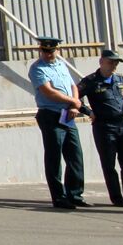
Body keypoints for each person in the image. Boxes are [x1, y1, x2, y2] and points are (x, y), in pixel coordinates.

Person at [77, 49, 123, 207]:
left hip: (122, 124)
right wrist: (88, 112)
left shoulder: (119, 79)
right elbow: (74, 97)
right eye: (110, 62)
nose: (113, 65)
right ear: (101, 62)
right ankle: (117, 198)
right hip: (104, 126)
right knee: (109, 164)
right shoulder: (90, 80)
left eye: (116, 63)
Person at [28, 36, 88, 209]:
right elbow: (49, 92)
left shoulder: (61, 65)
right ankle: (59, 196)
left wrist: (75, 104)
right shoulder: (37, 68)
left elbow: (73, 86)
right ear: (41, 50)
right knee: (54, 157)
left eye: (51, 51)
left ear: (57, 50)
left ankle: (75, 194)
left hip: (67, 113)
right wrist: (74, 101)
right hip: (51, 115)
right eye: (45, 51)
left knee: (75, 155)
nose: (48, 54)